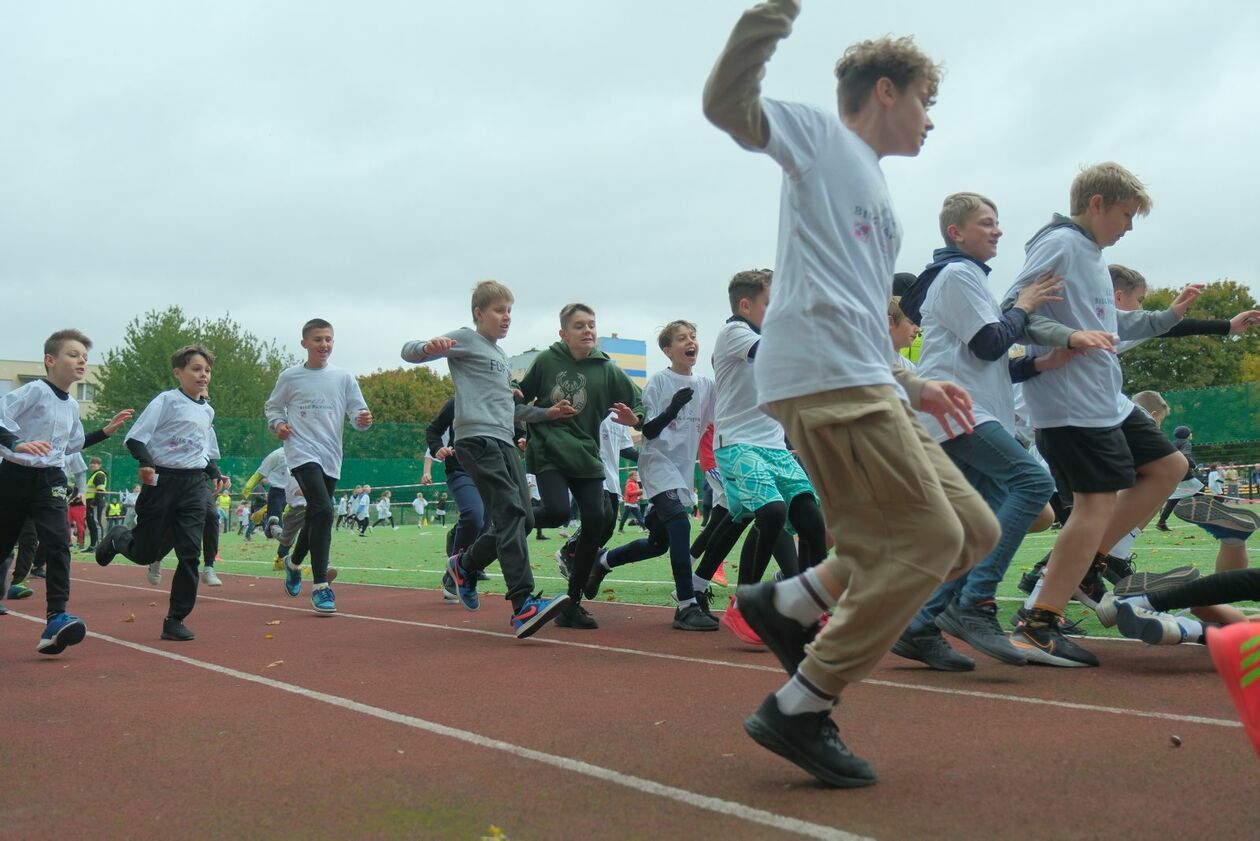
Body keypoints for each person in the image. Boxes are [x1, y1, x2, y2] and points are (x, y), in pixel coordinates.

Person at [703, 0, 1000, 786]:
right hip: (825, 379)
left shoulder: (875, 187)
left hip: (868, 377)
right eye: (928, 100)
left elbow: (862, 307)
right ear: (887, 91)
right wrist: (772, 14)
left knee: (971, 528)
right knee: (927, 541)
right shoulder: (819, 136)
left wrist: (912, 378)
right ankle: (802, 703)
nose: (933, 120)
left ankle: (791, 601)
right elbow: (724, 105)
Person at [891, 192, 1074, 671]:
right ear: (956, 232)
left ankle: (920, 625)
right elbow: (991, 343)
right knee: (1034, 483)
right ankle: (975, 603)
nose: (997, 231)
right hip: (961, 415)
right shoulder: (959, 275)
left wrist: (1039, 363)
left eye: (998, 223)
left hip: (963, 412)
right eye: (986, 223)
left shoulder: (962, 277)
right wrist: (1027, 304)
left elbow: (982, 362)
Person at [401, 280, 574, 639]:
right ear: (479, 313)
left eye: (509, 310)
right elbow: (408, 351)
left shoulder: (500, 357)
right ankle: (523, 604)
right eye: (499, 310)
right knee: (509, 512)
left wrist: (547, 414)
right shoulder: (466, 338)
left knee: (524, 520)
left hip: (505, 442)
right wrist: (427, 346)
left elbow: (512, 407)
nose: (506, 317)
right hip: (477, 441)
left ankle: (464, 565)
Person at [704, 269, 828, 640]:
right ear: (746, 305)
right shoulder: (734, 333)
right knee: (772, 511)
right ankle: (745, 602)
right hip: (736, 444)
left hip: (774, 447)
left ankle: (809, 607)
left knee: (811, 520)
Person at [0, 329, 131, 652]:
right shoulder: (32, 392)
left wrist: (104, 432)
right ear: (50, 360)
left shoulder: (72, 405)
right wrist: (18, 443)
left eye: (85, 358)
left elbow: (72, 445)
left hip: (51, 480)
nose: (81, 361)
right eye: (73, 355)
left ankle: (56, 618)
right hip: (14, 476)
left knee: (59, 543)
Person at [516, 302, 643, 630]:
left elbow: (639, 400)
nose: (588, 331)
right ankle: (509, 522)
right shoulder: (546, 361)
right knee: (557, 512)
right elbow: (518, 398)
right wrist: (532, 417)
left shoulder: (607, 369)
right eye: (579, 326)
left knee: (597, 518)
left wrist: (635, 417)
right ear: (563, 333)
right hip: (549, 450)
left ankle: (571, 603)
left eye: (591, 325)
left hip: (586, 452)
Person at [585, 321, 718, 630]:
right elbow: (647, 430)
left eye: (693, 336)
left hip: (683, 470)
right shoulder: (659, 381)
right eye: (682, 338)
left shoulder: (706, 385)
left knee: (659, 542)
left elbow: (719, 420)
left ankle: (602, 562)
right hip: (657, 463)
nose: (691, 341)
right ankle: (687, 604)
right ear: (668, 350)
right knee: (682, 525)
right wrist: (672, 409)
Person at [95, 344, 218, 641]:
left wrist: (213, 472)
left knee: (190, 553)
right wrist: (147, 463)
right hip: (161, 483)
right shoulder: (167, 401)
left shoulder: (208, 410)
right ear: (179, 373)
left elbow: (203, 452)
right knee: (145, 553)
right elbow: (135, 439)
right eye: (196, 369)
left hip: (193, 486)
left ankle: (175, 619)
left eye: (207, 370)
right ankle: (119, 537)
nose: (203, 375)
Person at [264, 318, 373, 613]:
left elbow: (357, 411)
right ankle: (322, 586)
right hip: (300, 452)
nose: (324, 345)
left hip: (330, 455)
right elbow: (273, 406)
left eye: (328, 339)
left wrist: (362, 419)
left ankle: (294, 563)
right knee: (324, 509)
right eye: (317, 340)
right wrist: (279, 424)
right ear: (304, 344)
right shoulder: (291, 377)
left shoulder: (343, 377)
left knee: (316, 514)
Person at [553, 410, 638, 586]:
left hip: (612, 476)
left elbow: (626, 449)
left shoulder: (620, 417)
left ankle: (582, 562)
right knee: (602, 516)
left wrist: (647, 457)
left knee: (609, 527)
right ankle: (569, 551)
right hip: (592, 470)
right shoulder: (593, 407)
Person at [241, 446, 288, 540]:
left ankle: (283, 551)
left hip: (295, 494)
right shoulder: (277, 455)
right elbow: (260, 472)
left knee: (290, 526)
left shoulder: (303, 454)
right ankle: (269, 526)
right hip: (277, 492)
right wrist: (247, 487)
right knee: (276, 525)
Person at [1156, 426, 1196, 531]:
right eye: (1190, 432)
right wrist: (1194, 465)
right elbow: (1185, 456)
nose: (1191, 434)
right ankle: (1204, 517)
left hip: (1172, 474)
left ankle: (1161, 522)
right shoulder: (1186, 443)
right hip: (1183, 473)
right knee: (1200, 492)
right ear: (1187, 435)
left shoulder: (1172, 443)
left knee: (1175, 498)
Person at [81, 456, 108, 552]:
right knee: (91, 524)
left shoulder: (99, 475)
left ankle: (100, 546)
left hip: (95, 502)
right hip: (90, 502)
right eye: (92, 463)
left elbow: (100, 490)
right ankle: (92, 546)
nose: (93, 464)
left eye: (95, 463)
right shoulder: (93, 475)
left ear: (99, 465)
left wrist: (94, 502)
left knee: (96, 523)